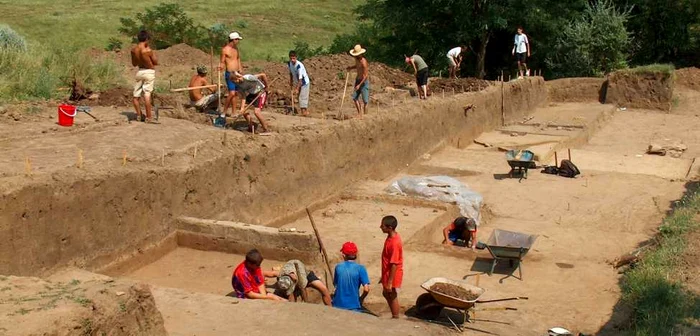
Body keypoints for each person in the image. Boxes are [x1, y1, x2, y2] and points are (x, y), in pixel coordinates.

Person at [332, 241, 370, 311]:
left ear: (343, 255)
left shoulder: (338, 267)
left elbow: (335, 285)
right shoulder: (361, 268)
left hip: (337, 305)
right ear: (356, 255)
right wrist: (361, 299)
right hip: (353, 305)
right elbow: (366, 289)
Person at [130, 30, 158, 123]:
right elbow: (155, 62)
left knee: (136, 95)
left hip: (140, 72)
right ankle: (148, 117)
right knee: (147, 94)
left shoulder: (133, 50)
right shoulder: (148, 50)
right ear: (146, 39)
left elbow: (134, 64)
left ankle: (139, 115)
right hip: (149, 72)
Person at [380, 215, 403, 319]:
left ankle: (395, 316)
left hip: (393, 274)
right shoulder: (391, 237)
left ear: (390, 228)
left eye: (383, 226)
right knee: (386, 293)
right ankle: (394, 315)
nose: (380, 227)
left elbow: (394, 263)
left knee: (391, 295)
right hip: (387, 272)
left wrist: (390, 282)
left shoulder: (394, 243)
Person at [219, 32, 243, 117]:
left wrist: (240, 68)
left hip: (236, 73)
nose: (238, 41)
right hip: (230, 74)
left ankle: (234, 112)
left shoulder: (236, 49)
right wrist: (220, 67)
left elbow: (238, 59)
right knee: (232, 93)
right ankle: (224, 112)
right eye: (237, 40)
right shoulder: (225, 50)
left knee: (235, 93)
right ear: (233, 40)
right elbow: (222, 61)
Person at [346, 44, 369, 119]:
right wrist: (351, 67)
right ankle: (359, 114)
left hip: (364, 82)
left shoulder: (364, 62)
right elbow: (357, 66)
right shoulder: (356, 59)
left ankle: (366, 116)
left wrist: (359, 85)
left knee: (365, 101)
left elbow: (365, 76)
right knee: (355, 97)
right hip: (357, 80)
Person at [288, 50, 311, 117]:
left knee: (302, 97)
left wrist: (297, 89)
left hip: (304, 82)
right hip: (298, 82)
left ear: (296, 57)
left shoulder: (299, 66)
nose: (292, 60)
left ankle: (304, 113)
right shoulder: (289, 64)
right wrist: (291, 82)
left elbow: (300, 79)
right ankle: (304, 112)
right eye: (291, 58)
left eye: (294, 58)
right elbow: (291, 73)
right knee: (299, 97)